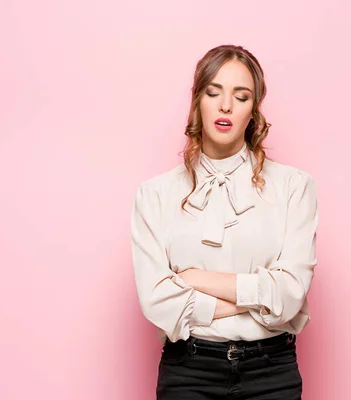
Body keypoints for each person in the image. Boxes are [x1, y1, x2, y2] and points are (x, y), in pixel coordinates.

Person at [130, 44, 319, 400]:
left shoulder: (295, 187)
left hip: (271, 371)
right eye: (213, 92)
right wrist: (260, 300)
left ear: (254, 111)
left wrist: (193, 280)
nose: (226, 106)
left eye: (241, 96)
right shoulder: (154, 195)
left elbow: (290, 294)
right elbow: (157, 301)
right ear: (197, 101)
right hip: (189, 371)